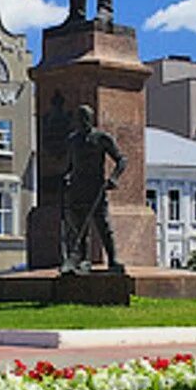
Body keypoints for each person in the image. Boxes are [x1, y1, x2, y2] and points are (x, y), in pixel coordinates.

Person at [60, 104, 127, 274]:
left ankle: (113, 260)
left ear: (91, 119)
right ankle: (83, 260)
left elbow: (121, 160)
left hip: (96, 188)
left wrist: (113, 178)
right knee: (80, 226)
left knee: (103, 225)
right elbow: (70, 165)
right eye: (80, 118)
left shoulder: (102, 138)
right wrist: (67, 176)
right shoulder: (73, 140)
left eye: (85, 118)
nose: (82, 122)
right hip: (77, 188)